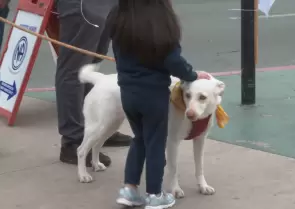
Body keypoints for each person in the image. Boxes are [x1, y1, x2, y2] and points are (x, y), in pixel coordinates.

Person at [104, 0, 211, 208]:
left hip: (127, 92)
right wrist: (193, 74)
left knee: (139, 139)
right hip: (153, 95)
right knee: (155, 143)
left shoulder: (120, 18)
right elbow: (174, 62)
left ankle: (130, 189)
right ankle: (154, 194)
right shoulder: (161, 25)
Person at [56, 0, 131, 167]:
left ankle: (98, 128)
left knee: (93, 61)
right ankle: (72, 140)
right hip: (83, 4)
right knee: (74, 68)